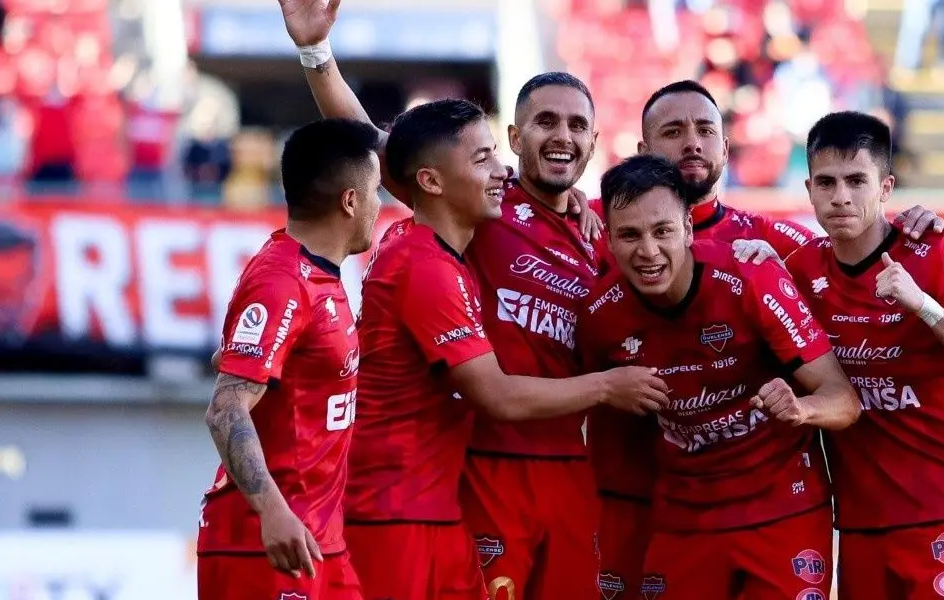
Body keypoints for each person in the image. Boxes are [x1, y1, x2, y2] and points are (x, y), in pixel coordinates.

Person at [588, 78, 944, 596]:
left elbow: (857, 250)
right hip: (656, 506)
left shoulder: (770, 249)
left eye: (705, 131)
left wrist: (913, 227)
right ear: (644, 149)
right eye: (673, 131)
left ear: (725, 147)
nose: (692, 142)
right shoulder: (596, 233)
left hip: (788, 504)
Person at [341, 98, 669, 600]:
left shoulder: (603, 230)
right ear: (519, 136)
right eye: (547, 121)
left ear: (595, 143)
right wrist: (316, 55)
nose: (502, 169)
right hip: (455, 480)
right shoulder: (466, 230)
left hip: (551, 475)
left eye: (578, 124)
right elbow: (380, 143)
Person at [580, 154, 860, 599]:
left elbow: (844, 399)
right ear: (609, 242)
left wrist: (801, 408)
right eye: (629, 235)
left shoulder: (750, 277)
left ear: (689, 229)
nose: (648, 251)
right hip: (684, 520)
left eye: (663, 231)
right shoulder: (599, 315)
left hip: (783, 511)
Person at [784, 111, 944, 599]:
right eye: (826, 182)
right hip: (862, 514)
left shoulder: (935, 252)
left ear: (886, 187)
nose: (841, 196)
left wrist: (922, 305)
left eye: (856, 181)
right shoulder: (801, 270)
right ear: (808, 189)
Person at [196, 117, 382, 600]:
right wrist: (272, 511)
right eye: (377, 191)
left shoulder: (320, 277)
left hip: (321, 542)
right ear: (350, 200)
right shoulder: (282, 280)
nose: (381, 206)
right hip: (265, 545)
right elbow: (225, 408)